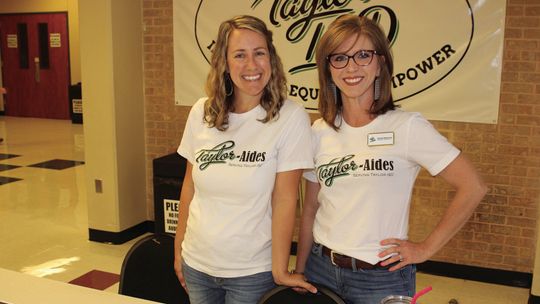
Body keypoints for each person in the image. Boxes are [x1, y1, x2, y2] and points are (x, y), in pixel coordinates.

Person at [294, 15, 487, 304]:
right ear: (327, 67)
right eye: (340, 58)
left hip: (380, 278)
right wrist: (300, 269)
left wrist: (425, 249)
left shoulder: (406, 127)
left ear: (380, 62)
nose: (351, 67)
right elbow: (310, 208)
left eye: (363, 55)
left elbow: (473, 187)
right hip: (321, 270)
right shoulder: (319, 131)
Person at [173, 15, 317, 304]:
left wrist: (279, 269)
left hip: (251, 272)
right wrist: (179, 250)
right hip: (197, 263)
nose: (251, 65)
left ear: (271, 59)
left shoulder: (289, 118)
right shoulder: (202, 112)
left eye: (259, 53)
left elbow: (286, 200)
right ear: (224, 63)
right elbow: (189, 187)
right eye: (239, 55)